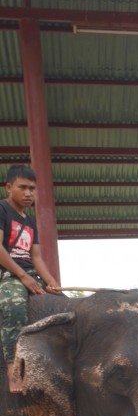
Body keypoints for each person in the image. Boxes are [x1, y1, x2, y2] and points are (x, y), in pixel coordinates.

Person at [0, 164, 61, 391]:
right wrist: (23, 276)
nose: (28, 193)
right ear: (8, 187)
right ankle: (14, 369)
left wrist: (51, 282)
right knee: (14, 306)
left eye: (32, 189)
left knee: (64, 306)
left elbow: (36, 257)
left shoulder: (30, 221)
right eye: (22, 187)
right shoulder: (2, 210)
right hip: (8, 275)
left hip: (29, 273)